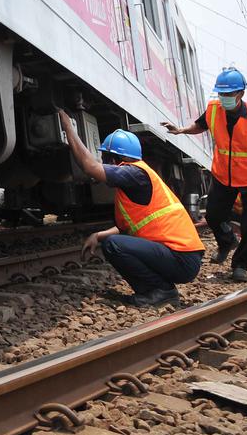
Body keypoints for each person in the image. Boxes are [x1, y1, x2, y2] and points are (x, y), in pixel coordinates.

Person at [59, 110, 204, 307]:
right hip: (181, 257)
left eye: (106, 157)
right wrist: (99, 235)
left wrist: (68, 128)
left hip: (181, 258)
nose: (104, 162)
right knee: (112, 241)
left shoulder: (135, 173)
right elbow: (126, 227)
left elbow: (89, 167)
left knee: (114, 245)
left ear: (116, 159)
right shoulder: (135, 180)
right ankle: (159, 290)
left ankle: (159, 291)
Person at [161, 67, 247, 282]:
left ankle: (241, 265)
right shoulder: (214, 109)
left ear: (240, 94)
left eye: (228, 94)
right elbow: (200, 125)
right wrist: (182, 130)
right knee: (213, 215)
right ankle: (226, 241)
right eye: (221, 94)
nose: (223, 98)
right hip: (223, 176)